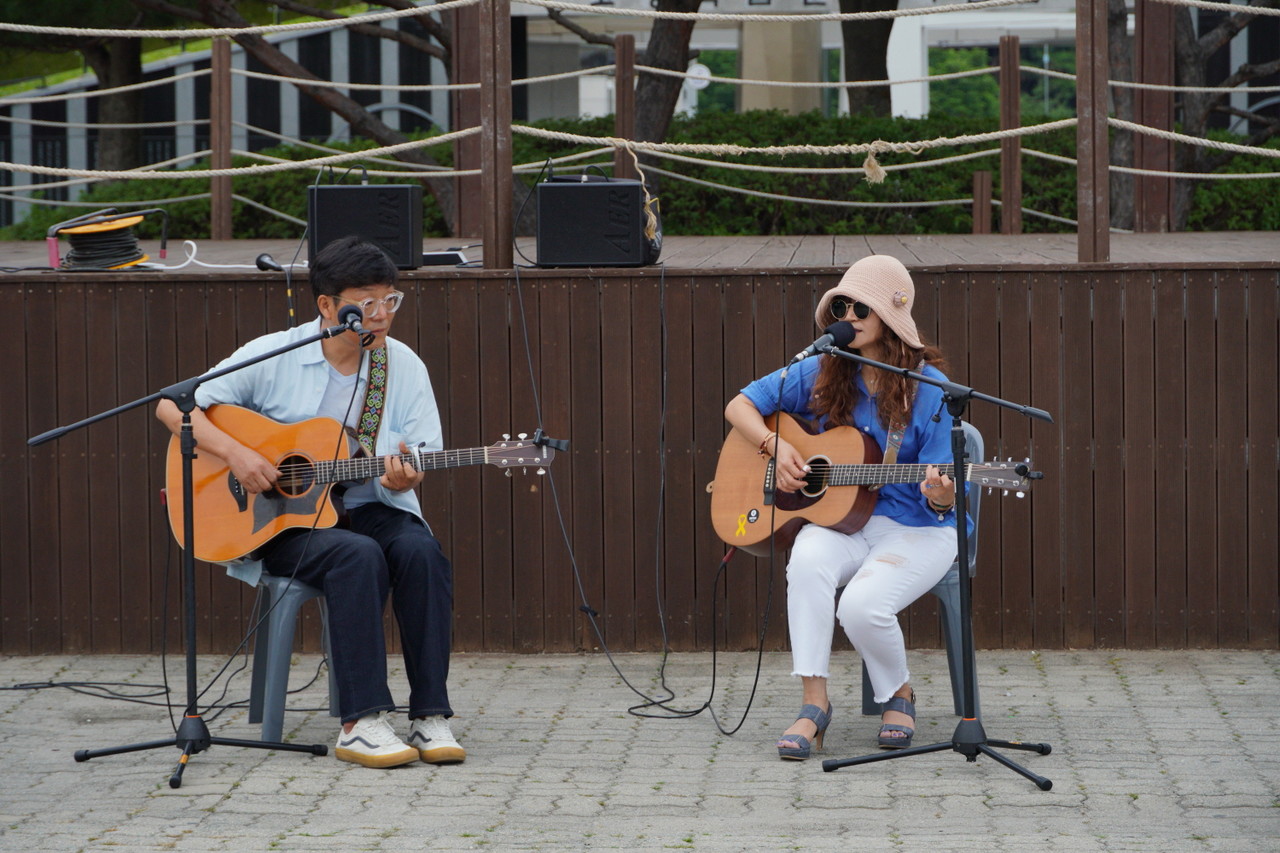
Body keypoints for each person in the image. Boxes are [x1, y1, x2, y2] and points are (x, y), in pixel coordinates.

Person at [156, 235, 462, 769]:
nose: (381, 314)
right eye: (366, 303)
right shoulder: (277, 354)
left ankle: (429, 715)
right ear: (327, 306)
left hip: (368, 507)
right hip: (279, 524)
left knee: (421, 552)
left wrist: (402, 480)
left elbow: (421, 451)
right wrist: (239, 457)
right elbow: (172, 408)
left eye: (390, 300)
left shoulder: (401, 366)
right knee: (355, 555)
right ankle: (361, 722)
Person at [723, 254, 970, 760]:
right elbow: (739, 405)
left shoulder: (930, 391)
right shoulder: (820, 370)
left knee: (860, 607)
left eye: (862, 309)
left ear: (890, 322)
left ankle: (899, 693)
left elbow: (944, 493)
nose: (849, 318)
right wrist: (775, 448)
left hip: (919, 527)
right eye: (842, 307)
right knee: (807, 560)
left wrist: (942, 491)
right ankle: (814, 704)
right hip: (843, 521)